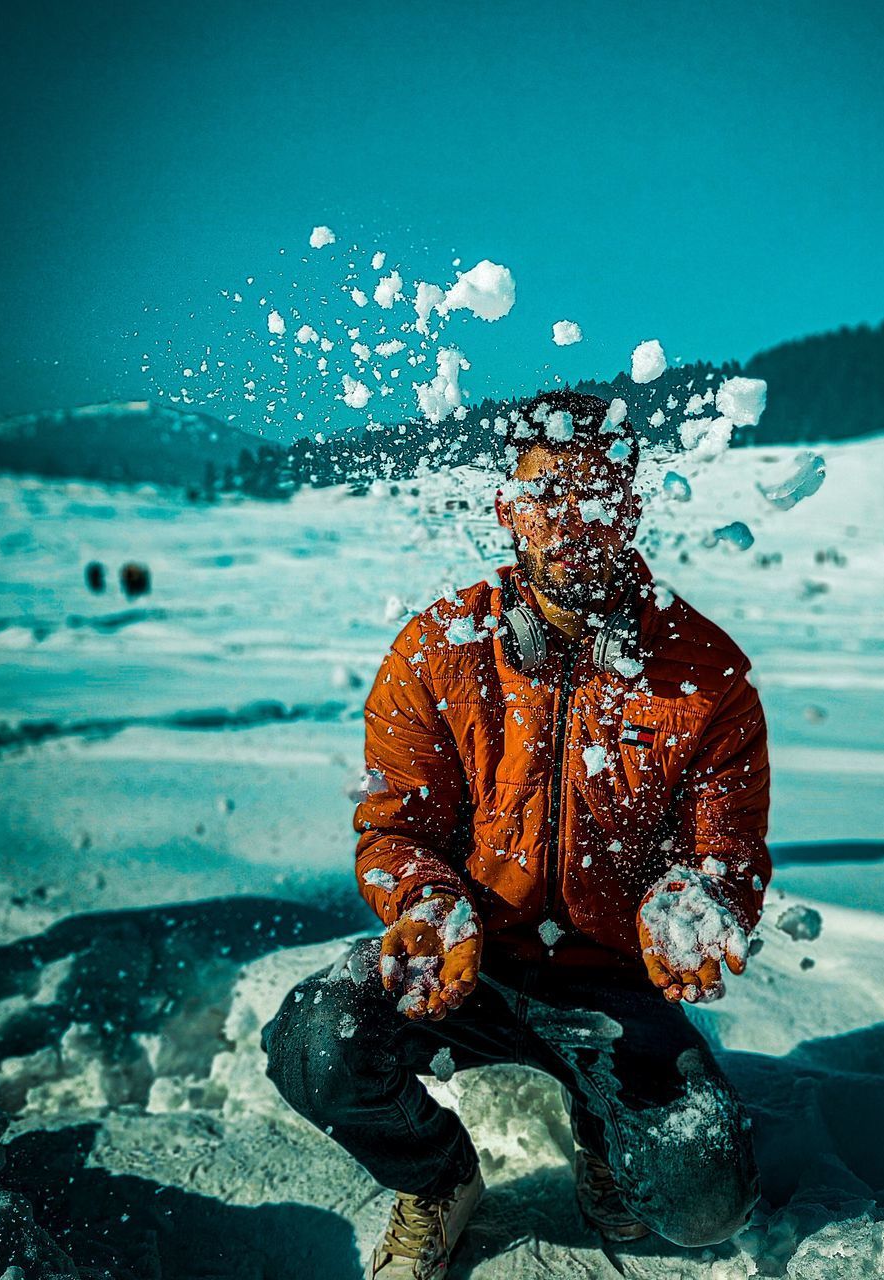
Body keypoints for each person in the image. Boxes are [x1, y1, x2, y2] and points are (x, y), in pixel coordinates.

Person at [261, 389, 771, 1279]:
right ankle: (439, 1177)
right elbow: (394, 827)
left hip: (619, 988)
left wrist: (697, 898)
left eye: (598, 494)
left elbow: (728, 852)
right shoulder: (438, 650)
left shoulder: (706, 675)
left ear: (635, 505)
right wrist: (425, 900)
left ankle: (605, 1123)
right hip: (472, 969)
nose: (572, 520)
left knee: (704, 1202)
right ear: (506, 510)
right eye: (545, 495)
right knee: (316, 1043)